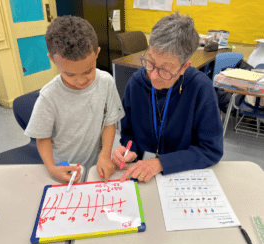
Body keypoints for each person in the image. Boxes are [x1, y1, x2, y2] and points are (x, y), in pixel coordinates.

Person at [112, 12, 223, 183]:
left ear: (184, 67)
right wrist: (129, 149)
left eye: (166, 69)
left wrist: (160, 163)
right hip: (143, 176)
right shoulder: (135, 83)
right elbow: (128, 133)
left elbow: (211, 149)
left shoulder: (200, 88)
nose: (154, 76)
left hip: (183, 175)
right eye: (150, 62)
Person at [25, 16, 125, 183]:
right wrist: (51, 168)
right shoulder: (49, 96)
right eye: (70, 74)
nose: (81, 81)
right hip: (63, 167)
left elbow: (109, 123)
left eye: (88, 71)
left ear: (97, 53)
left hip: (95, 164)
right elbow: (42, 138)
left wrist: (105, 155)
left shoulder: (106, 82)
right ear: (52, 59)